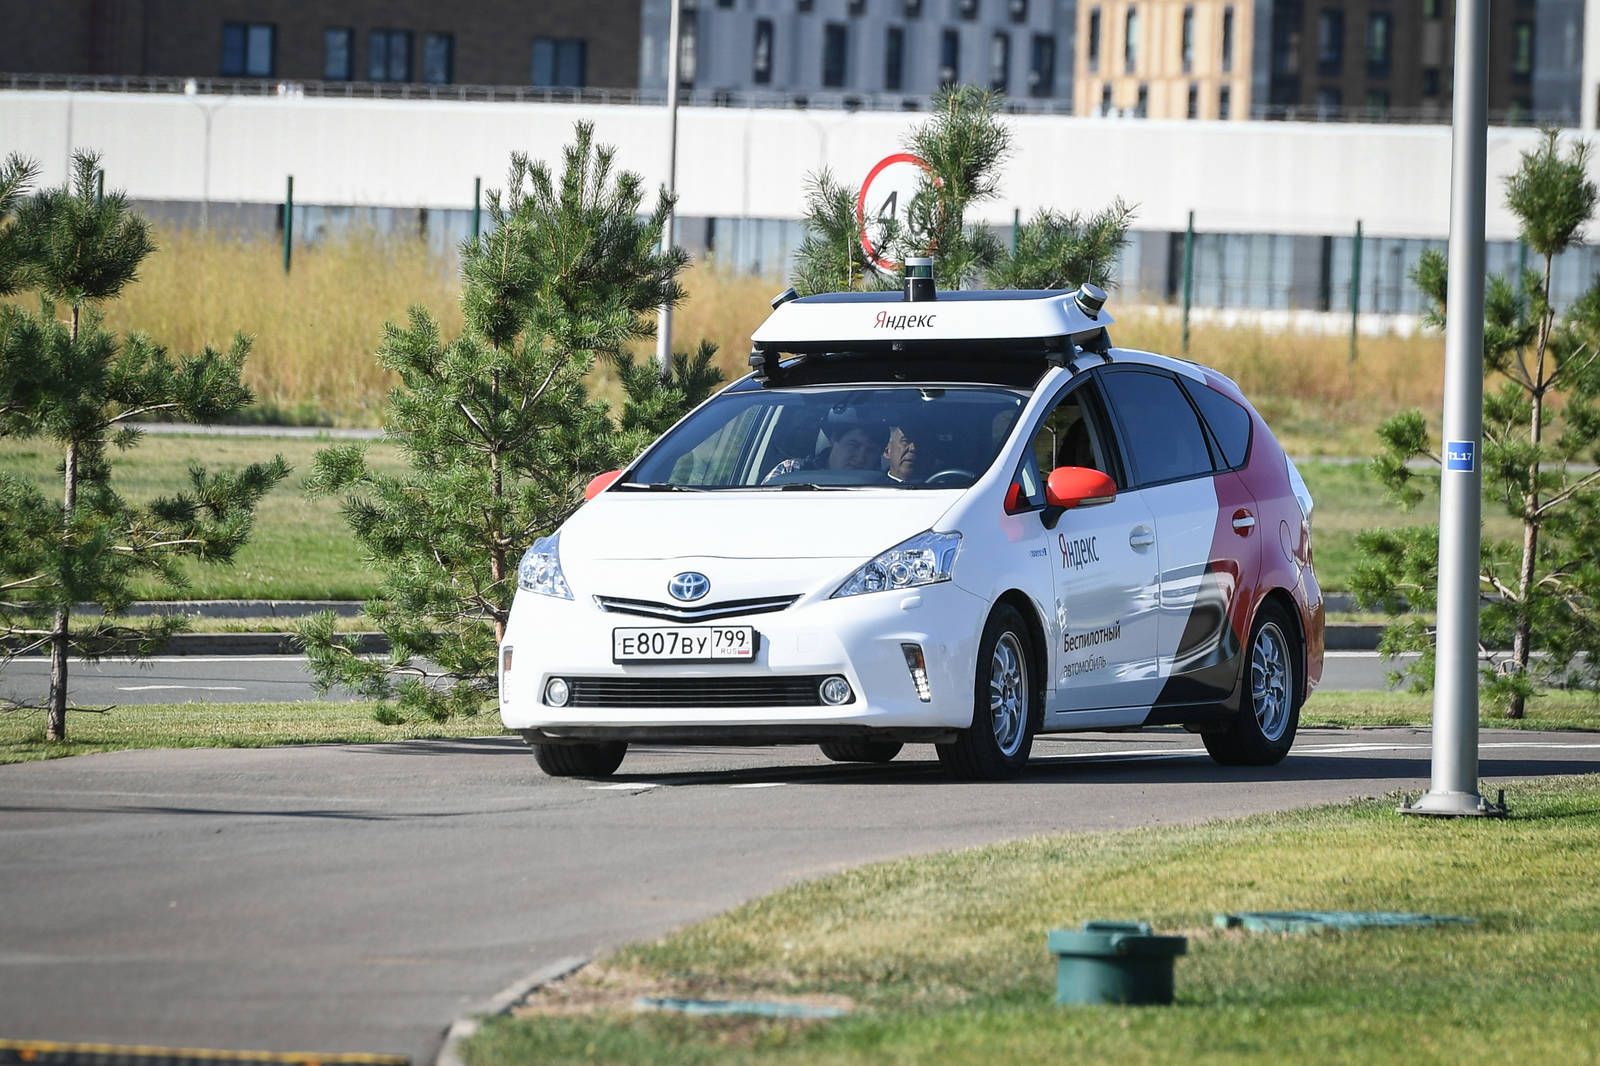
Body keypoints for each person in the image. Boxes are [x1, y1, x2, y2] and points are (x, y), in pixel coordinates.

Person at [764, 409, 887, 481]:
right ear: (833, 440)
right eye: (853, 445)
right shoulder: (790, 471)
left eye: (871, 450)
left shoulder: (887, 486)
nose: (861, 458)